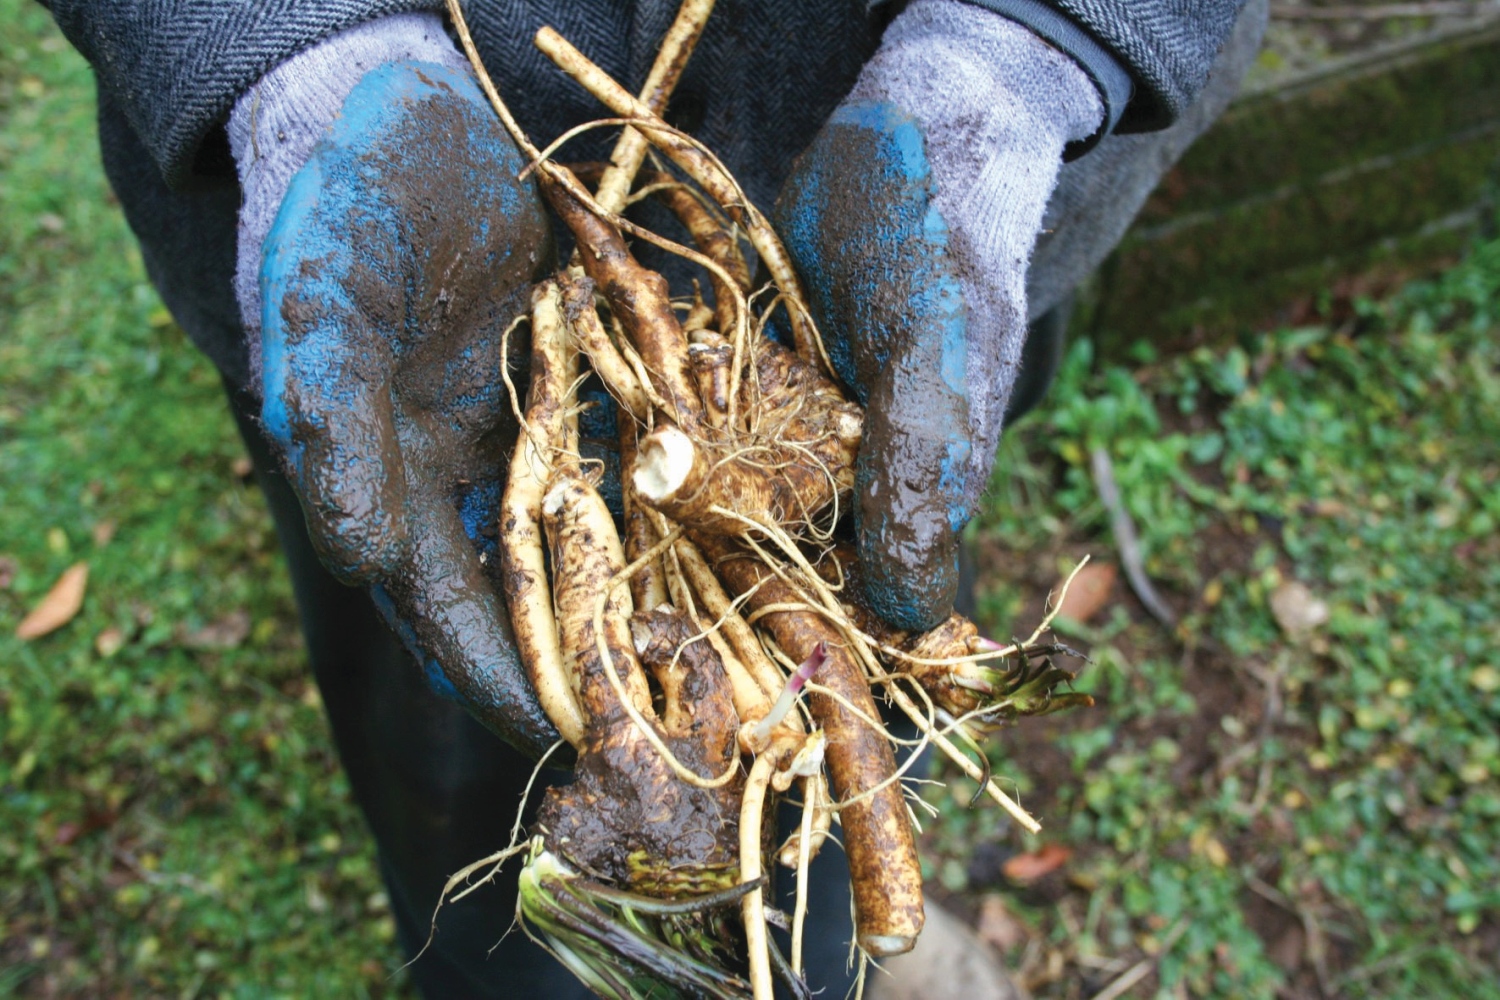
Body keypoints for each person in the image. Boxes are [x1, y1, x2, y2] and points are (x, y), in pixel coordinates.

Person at [40, 0, 1268, 996]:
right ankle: (543, 972)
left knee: (885, 567)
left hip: (907, 238)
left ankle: (824, 945)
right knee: (490, 745)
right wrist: (278, 50)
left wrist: (1026, 54)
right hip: (400, 307)